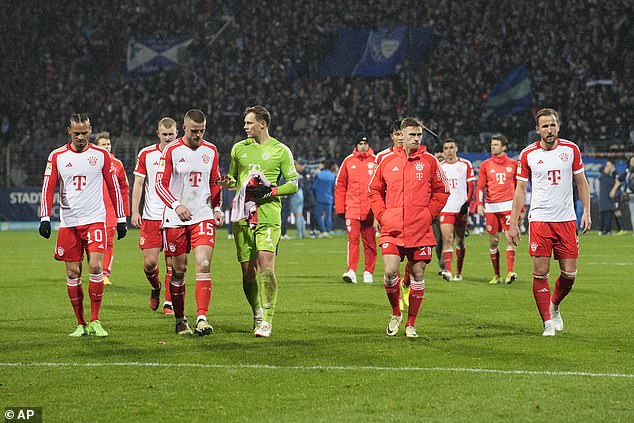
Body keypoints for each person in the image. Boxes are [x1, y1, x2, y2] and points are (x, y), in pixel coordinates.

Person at [39, 113, 127, 337]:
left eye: (84, 133)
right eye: (76, 133)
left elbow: (114, 186)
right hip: (69, 223)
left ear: (90, 131)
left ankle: (96, 320)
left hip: (95, 220)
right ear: (69, 131)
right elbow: (48, 187)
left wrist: (121, 218)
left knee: (96, 268)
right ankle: (81, 323)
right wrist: (45, 218)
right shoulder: (57, 156)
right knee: (72, 273)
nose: (80, 137)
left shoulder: (100, 156)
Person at [508, 108, 591, 337]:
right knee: (540, 271)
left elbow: (582, 182)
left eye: (553, 125)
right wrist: (513, 222)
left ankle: (554, 304)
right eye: (545, 126)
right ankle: (547, 322)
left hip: (566, 220)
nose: (549, 129)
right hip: (540, 220)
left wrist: (586, 211)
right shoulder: (528, 155)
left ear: (558, 126)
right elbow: (520, 190)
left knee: (570, 275)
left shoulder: (571, 149)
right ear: (537, 130)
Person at [219, 105, 298, 338]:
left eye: (249, 123)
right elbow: (234, 179)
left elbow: (293, 183)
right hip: (242, 216)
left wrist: (271, 190)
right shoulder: (238, 149)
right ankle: (257, 311)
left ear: (263, 124)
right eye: (245, 123)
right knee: (247, 272)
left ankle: (268, 320)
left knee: (266, 266)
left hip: (268, 216)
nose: (245, 127)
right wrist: (227, 182)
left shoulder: (281, 151)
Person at [369, 117, 449, 338]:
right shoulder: (385, 160)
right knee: (389, 271)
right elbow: (374, 190)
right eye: (411, 134)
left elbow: (442, 191)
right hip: (392, 227)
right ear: (401, 135)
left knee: (418, 273)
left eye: (419, 135)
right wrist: (383, 215)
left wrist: (428, 214)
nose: (416, 138)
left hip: (420, 228)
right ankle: (396, 313)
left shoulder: (430, 161)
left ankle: (411, 323)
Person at [156, 109, 224, 336]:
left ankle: (202, 318)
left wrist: (216, 208)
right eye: (194, 131)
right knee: (178, 271)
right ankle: (179, 319)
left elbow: (215, 182)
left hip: (202, 215)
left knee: (203, 263)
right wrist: (177, 205)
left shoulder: (211, 150)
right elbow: (160, 185)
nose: (198, 135)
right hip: (175, 219)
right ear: (184, 128)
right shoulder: (172, 151)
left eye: (202, 131)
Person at [131, 117, 177, 315]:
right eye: (164, 134)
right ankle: (156, 287)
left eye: (171, 134)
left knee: (173, 264)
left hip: (174, 216)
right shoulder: (147, 154)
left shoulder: (182, 154)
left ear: (177, 134)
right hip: (151, 217)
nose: (168, 138)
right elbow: (139, 184)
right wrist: (134, 211)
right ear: (158, 133)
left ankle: (169, 302)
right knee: (150, 264)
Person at [475, 134, 519, 284]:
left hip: (508, 205)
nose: (492, 146)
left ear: (504, 147)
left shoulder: (513, 164)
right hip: (491, 206)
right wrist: (479, 204)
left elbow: (519, 187)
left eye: (495, 144)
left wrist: (521, 208)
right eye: (492, 144)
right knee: (493, 241)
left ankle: (510, 272)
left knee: (509, 238)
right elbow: (480, 186)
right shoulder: (485, 164)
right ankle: (497, 274)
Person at [335, 132, 377, 284]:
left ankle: (368, 271)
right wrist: (340, 209)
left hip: (371, 211)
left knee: (370, 242)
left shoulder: (376, 161)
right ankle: (351, 270)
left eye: (365, 143)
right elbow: (340, 186)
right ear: (356, 145)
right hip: (352, 209)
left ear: (369, 145)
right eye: (360, 144)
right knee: (353, 241)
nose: (363, 146)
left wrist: (379, 209)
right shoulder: (348, 161)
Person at [95, 132, 130, 285]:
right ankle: (94, 270)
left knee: (108, 242)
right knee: (94, 242)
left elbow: (124, 188)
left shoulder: (117, 164)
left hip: (110, 210)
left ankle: (105, 274)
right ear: (96, 147)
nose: (107, 147)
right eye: (103, 144)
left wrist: (124, 212)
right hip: (93, 209)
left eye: (108, 144)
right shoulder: (90, 163)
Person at [438, 138, 475, 281]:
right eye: (446, 148)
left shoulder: (465, 164)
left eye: (451, 147)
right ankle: (448, 271)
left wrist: (467, 204)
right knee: (447, 239)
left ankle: (458, 272)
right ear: (443, 151)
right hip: (446, 207)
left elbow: (471, 186)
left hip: (461, 208)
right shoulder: (440, 166)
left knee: (460, 240)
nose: (448, 151)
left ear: (456, 148)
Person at [311, 159, 338, 237]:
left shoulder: (319, 175)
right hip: (329, 199)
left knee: (319, 215)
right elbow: (334, 188)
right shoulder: (332, 176)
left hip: (319, 198)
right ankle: (327, 230)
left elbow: (314, 187)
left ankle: (323, 230)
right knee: (328, 216)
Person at [610, 155, 634, 234]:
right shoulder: (628, 171)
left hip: (630, 194)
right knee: (633, 215)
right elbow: (619, 179)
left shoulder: (628, 171)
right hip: (630, 195)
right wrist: (614, 190)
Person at [598, 160, 617, 235]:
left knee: (602, 215)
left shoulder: (601, 178)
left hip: (603, 200)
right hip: (607, 199)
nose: (607, 168)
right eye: (606, 167)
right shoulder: (606, 178)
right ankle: (606, 230)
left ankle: (601, 230)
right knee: (608, 216)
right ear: (603, 171)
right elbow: (614, 182)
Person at [289, 160, 307, 239]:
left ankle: (299, 234)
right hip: (301, 193)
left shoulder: (294, 174)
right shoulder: (300, 175)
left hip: (296, 194)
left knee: (297, 214)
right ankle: (303, 233)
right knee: (300, 214)